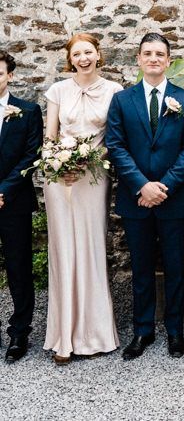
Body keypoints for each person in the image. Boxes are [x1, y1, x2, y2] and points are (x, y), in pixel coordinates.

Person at [105, 32, 184, 361]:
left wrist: (162, 188)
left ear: (169, 60)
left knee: (176, 267)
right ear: (138, 59)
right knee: (142, 268)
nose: (154, 59)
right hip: (136, 199)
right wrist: (141, 185)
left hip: (172, 200)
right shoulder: (122, 100)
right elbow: (115, 146)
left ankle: (175, 331)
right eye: (147, 53)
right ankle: (142, 330)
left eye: (160, 54)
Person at [43, 34, 122, 364]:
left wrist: (86, 160)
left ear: (98, 54)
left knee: (90, 249)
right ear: (70, 58)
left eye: (89, 51)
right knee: (63, 250)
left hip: (93, 176)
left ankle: (95, 334)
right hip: (59, 179)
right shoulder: (58, 91)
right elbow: (49, 136)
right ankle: (63, 338)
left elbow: (114, 138)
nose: (84, 58)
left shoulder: (114, 91)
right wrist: (59, 162)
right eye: (77, 54)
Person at [0, 50, 43, 363]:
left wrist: (3, 191)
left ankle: (19, 331)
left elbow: (31, 156)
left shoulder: (28, 111)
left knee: (18, 267)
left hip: (13, 201)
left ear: (9, 76)